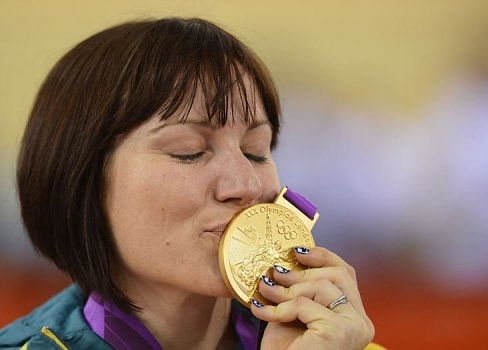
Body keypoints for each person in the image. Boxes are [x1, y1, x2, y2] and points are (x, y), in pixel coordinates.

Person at [0, 17, 380, 349]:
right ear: (81, 181)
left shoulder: (336, 342)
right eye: (189, 151)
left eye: (256, 150)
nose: (246, 184)